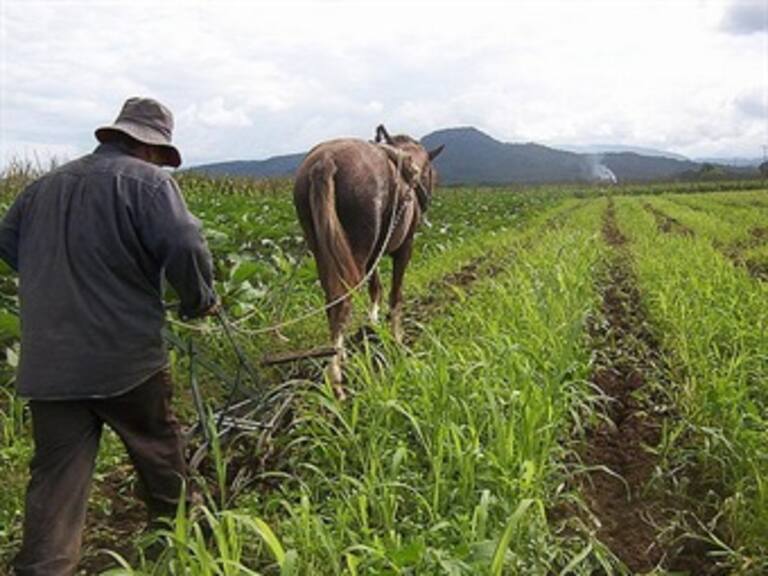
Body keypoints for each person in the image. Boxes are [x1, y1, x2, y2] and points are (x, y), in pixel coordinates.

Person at [0, 97, 218, 575]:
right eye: (162, 154)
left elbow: (8, 241)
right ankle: (188, 545)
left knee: (56, 481)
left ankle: (43, 568)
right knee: (161, 453)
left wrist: (59, 280)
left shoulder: (40, 189)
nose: (161, 162)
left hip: (49, 365)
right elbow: (185, 242)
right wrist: (198, 298)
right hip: (125, 359)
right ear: (150, 147)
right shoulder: (150, 183)